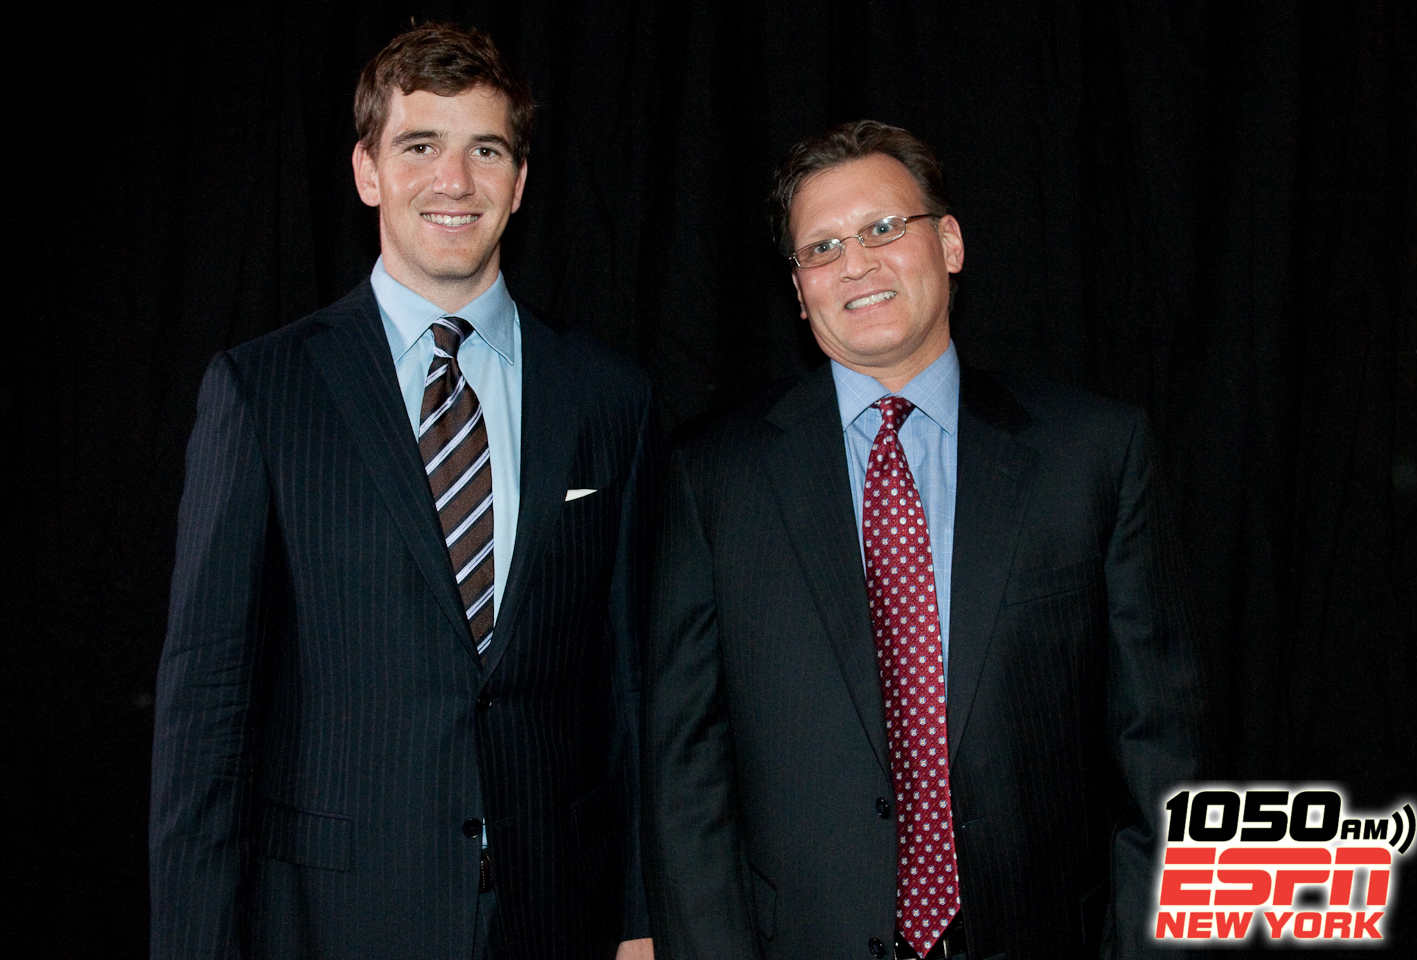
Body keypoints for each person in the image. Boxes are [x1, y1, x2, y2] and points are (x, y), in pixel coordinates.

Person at [150, 23, 654, 959]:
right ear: (367, 171)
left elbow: (625, 683)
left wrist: (639, 921)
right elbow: (207, 708)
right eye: (420, 145)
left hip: (555, 917)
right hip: (332, 919)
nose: (453, 180)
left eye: (486, 150)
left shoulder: (608, 396)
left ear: (520, 182)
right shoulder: (265, 390)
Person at [644, 119, 1203, 959]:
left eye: (882, 229)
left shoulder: (1092, 455)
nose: (856, 264)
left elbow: (1160, 755)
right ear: (798, 290)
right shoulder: (711, 479)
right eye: (822, 248)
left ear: (949, 243)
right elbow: (686, 775)